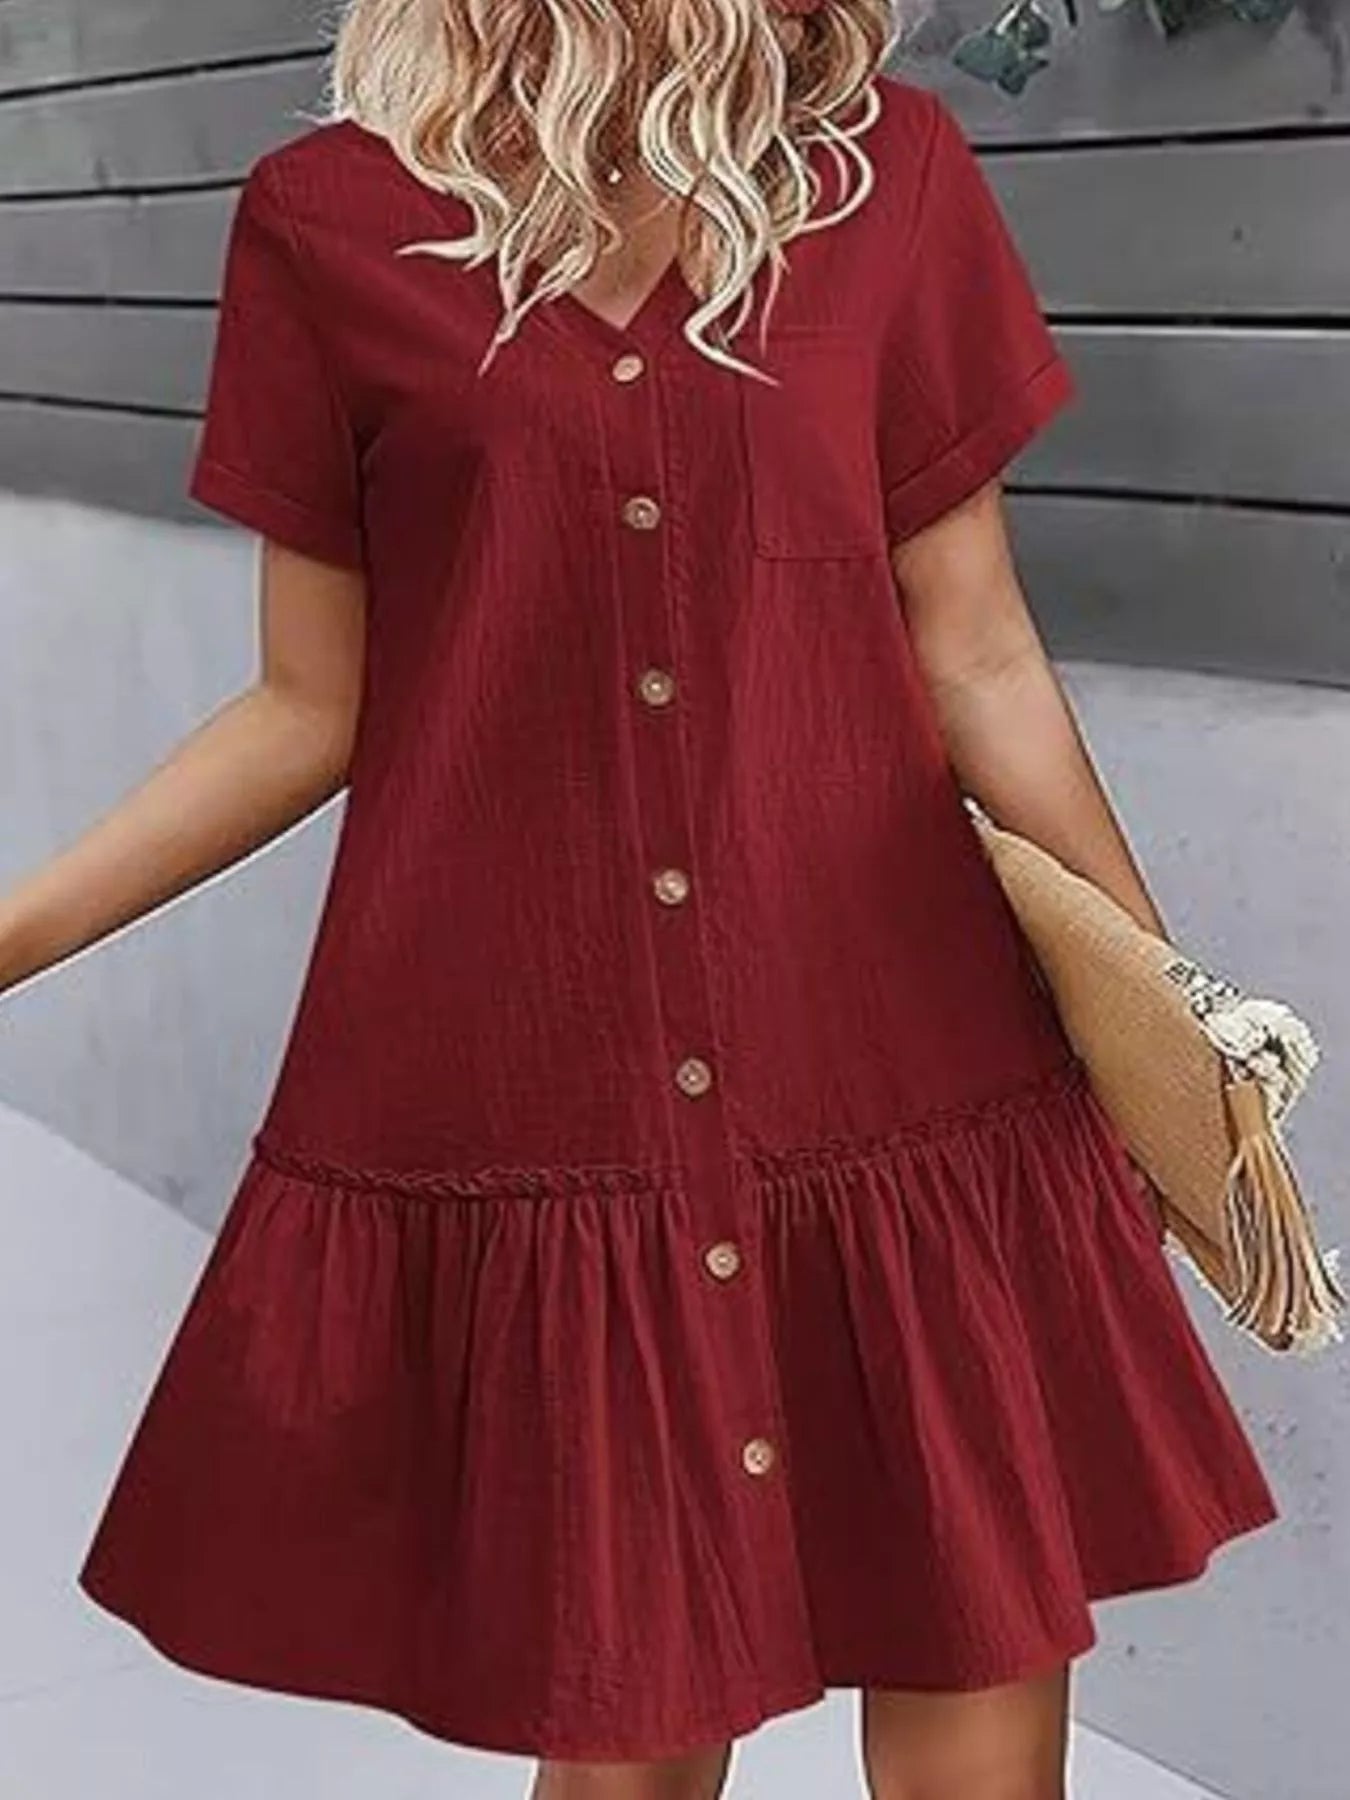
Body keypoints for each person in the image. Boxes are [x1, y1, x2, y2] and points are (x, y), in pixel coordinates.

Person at [0, 0, 1279, 1794]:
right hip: (560, 1090)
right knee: (631, 1735)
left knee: (978, 1701)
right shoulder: (329, 220)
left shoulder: (884, 178)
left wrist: (1163, 1027)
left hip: (904, 1071)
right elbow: (307, 705)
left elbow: (976, 648)